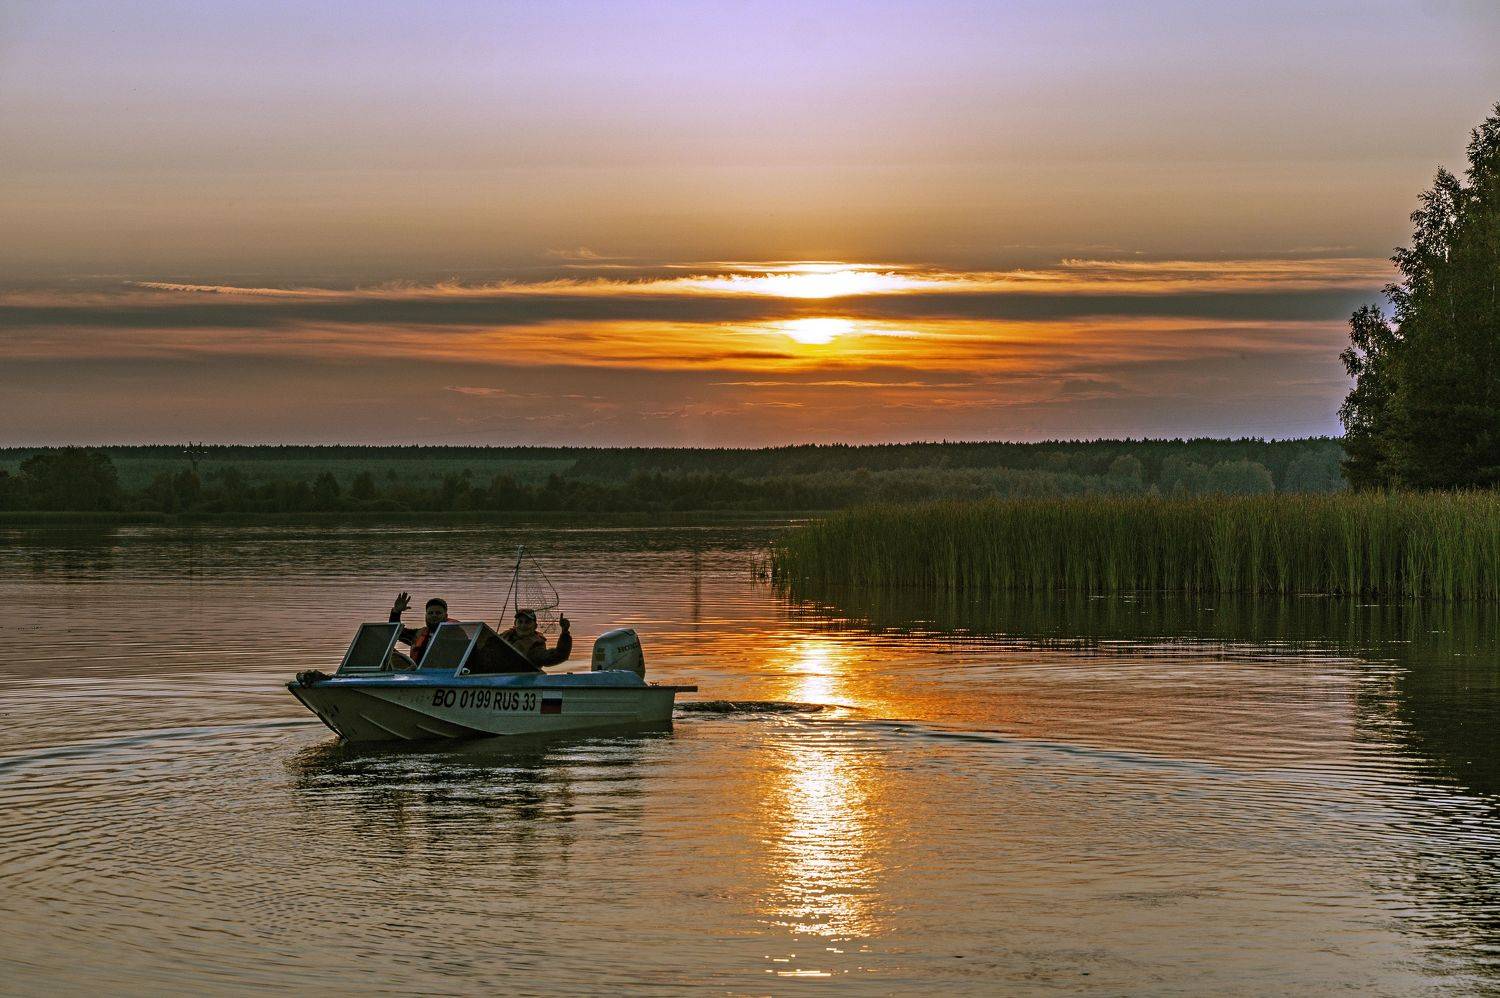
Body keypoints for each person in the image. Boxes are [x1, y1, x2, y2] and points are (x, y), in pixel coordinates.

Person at [389, 592, 454, 667]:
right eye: (430, 613)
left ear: (446, 616)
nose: (434, 615)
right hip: (418, 674)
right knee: (389, 651)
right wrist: (396, 612)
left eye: (438, 613)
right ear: (426, 616)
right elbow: (396, 633)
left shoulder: (456, 634)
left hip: (445, 674)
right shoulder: (419, 634)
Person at [500, 608, 571, 668]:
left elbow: (559, 655)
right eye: (520, 622)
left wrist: (565, 633)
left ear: (535, 626)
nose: (523, 625)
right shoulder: (506, 635)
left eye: (527, 622)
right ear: (515, 624)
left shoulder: (536, 647)